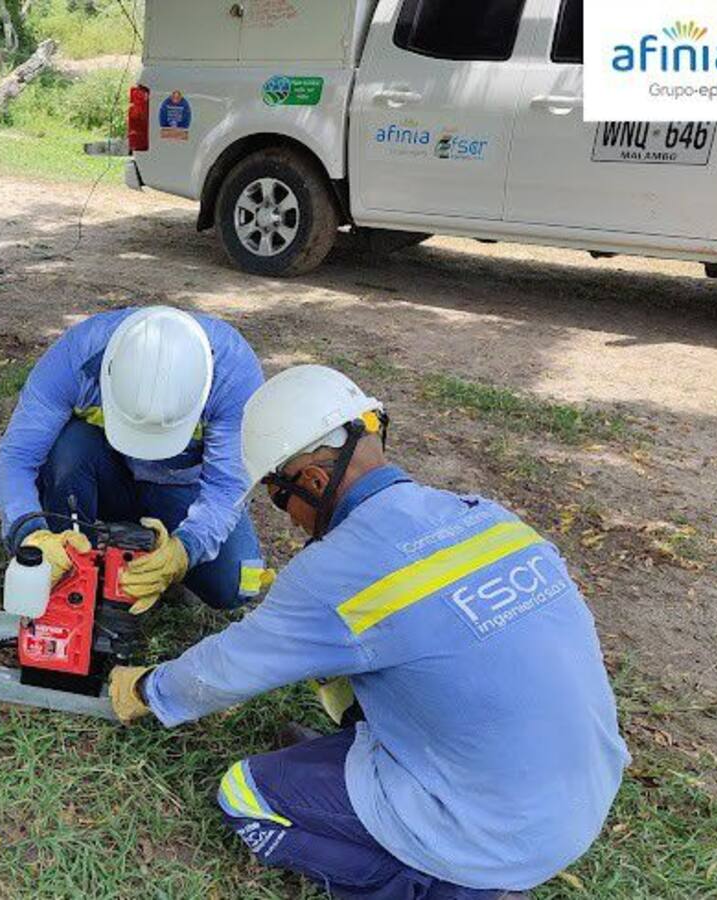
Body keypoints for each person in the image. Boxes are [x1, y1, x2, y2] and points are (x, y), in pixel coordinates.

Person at [109, 364, 630, 899]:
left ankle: (434, 884)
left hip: (490, 835)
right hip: (580, 799)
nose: (286, 517)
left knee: (243, 795)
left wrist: (150, 689)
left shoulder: (335, 572)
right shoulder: (491, 518)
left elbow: (227, 668)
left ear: (312, 480)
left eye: (277, 495)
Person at [0, 306, 266, 613]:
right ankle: (71, 561)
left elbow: (226, 487)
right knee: (69, 448)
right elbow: (16, 458)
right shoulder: (77, 356)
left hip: (182, 488)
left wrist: (186, 549)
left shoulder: (233, 374)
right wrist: (31, 536)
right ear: (109, 372)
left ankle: (152, 552)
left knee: (234, 584)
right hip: (106, 473)